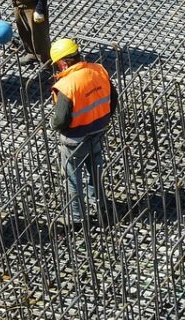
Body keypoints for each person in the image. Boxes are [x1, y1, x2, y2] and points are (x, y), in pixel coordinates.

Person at [48, 38, 116, 228]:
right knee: (96, 171)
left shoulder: (67, 85)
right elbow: (114, 98)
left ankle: (77, 217)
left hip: (74, 139)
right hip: (98, 130)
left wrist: (53, 124)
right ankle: (101, 208)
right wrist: (101, 117)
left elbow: (61, 119)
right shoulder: (98, 70)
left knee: (72, 177)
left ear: (63, 62)